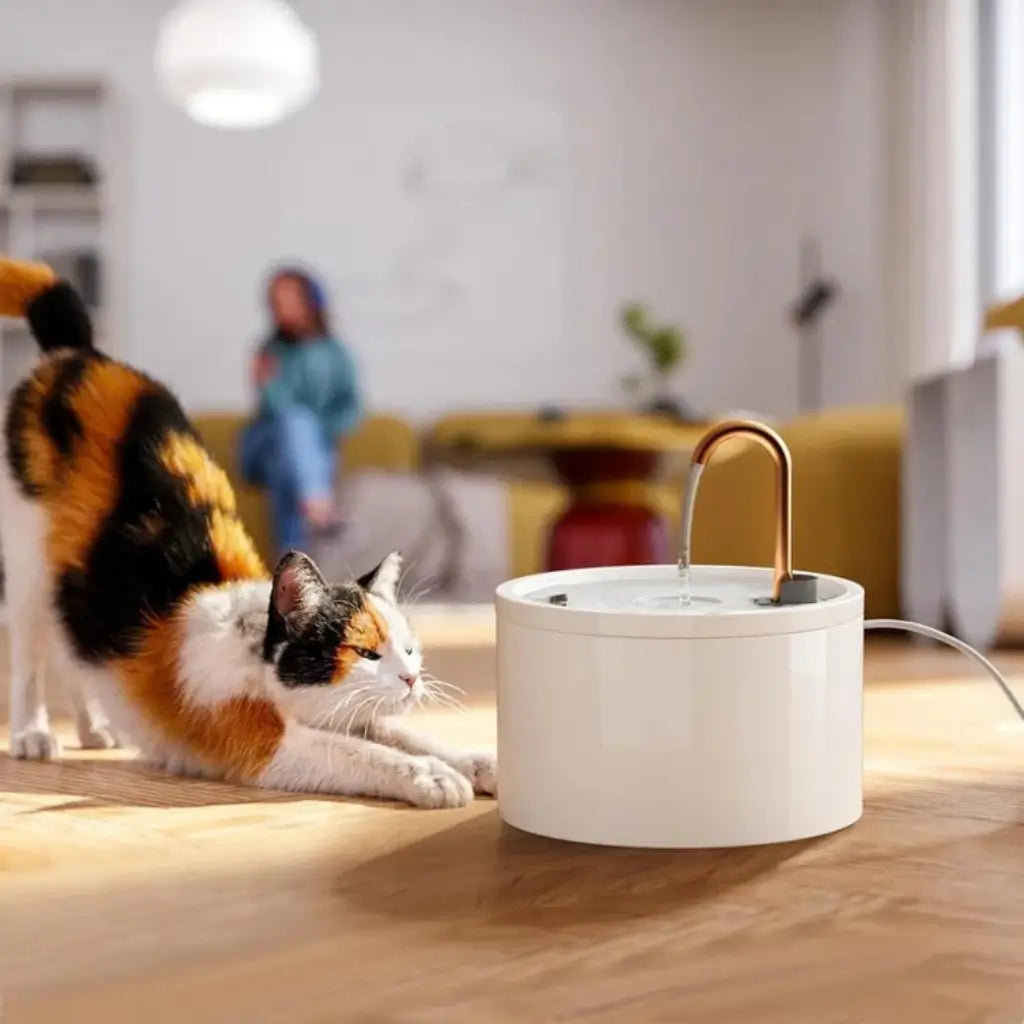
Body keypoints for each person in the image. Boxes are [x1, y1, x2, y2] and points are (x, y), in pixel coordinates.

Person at [239, 266, 362, 554]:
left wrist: (315, 434)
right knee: (295, 422)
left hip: (299, 455)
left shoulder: (337, 353)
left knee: (284, 467)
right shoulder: (269, 351)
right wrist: (266, 384)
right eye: (276, 302)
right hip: (260, 443)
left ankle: (290, 564)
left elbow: (351, 409)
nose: (282, 308)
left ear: (312, 302)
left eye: (289, 299)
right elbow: (275, 409)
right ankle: (319, 503)